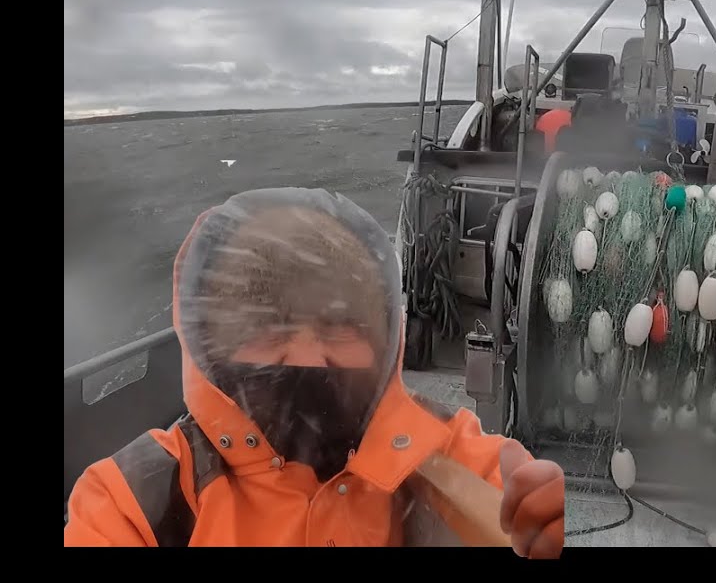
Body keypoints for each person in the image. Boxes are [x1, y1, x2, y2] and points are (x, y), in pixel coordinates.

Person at [64, 188, 564, 554]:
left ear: (383, 337)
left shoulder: (444, 447)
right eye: (271, 326)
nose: (308, 355)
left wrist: (531, 511)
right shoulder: (133, 500)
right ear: (214, 342)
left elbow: (503, 487)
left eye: (339, 326)